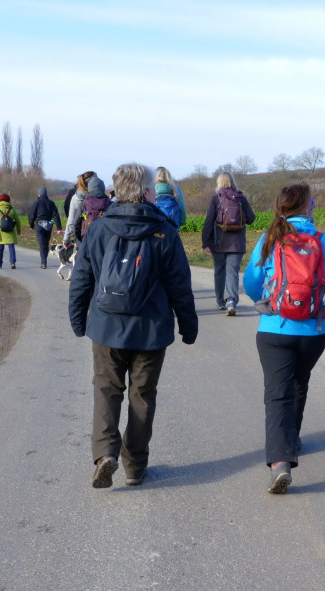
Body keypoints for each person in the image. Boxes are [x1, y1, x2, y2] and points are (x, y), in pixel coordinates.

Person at [68, 162, 198, 489]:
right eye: (151, 187)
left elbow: (81, 278)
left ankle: (105, 454)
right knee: (142, 395)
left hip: (106, 327)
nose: (154, 191)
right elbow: (180, 284)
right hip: (151, 331)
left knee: (106, 389)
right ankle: (135, 466)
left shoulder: (98, 229)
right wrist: (188, 324)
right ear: (143, 191)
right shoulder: (165, 231)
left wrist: (78, 318)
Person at [243, 183, 325, 494]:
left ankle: (280, 462)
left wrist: (266, 300)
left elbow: (251, 283)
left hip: (274, 329)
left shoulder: (270, 238)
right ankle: (291, 438)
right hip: (313, 332)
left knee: (276, 394)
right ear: (309, 207)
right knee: (299, 382)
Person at [202, 171, 255, 315]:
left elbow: (208, 222)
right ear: (232, 182)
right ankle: (231, 300)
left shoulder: (216, 199)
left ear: (219, 183)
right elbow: (251, 218)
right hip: (236, 243)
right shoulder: (240, 198)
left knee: (219, 270)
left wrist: (205, 242)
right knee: (232, 272)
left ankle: (220, 300)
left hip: (218, 242)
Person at [29, 186, 63, 269]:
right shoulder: (51, 203)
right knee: (46, 243)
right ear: (46, 194)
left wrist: (31, 225)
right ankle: (44, 260)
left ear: (39, 194)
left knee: (42, 244)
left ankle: (43, 262)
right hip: (48, 226)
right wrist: (59, 228)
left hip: (39, 225)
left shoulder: (36, 203)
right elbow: (56, 215)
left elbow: (31, 215)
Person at [63, 170, 96, 248]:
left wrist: (66, 239)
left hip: (81, 235)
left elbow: (70, 220)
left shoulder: (76, 198)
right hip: (97, 236)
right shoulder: (100, 198)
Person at [0, 193, 21, 269]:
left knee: (0, 247)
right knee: (11, 247)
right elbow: (18, 221)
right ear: (8, 200)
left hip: (1, 233)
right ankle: (13, 262)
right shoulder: (12, 209)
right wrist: (18, 231)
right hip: (11, 232)